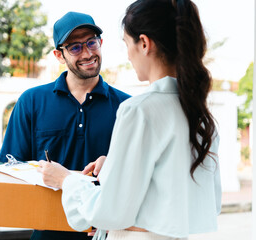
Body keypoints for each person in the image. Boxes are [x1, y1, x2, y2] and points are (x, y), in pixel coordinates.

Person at [39, 0, 221, 239]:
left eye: (127, 44)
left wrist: (65, 180)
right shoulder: (202, 116)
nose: (127, 56)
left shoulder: (138, 110)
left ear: (144, 43)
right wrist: (113, 166)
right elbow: (206, 204)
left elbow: (110, 212)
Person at [0, 11, 131, 240]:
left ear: (101, 43)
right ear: (59, 55)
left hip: (106, 234)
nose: (88, 53)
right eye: (75, 47)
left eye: (91, 42)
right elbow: (9, 171)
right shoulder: (32, 101)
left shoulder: (127, 107)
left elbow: (134, 179)